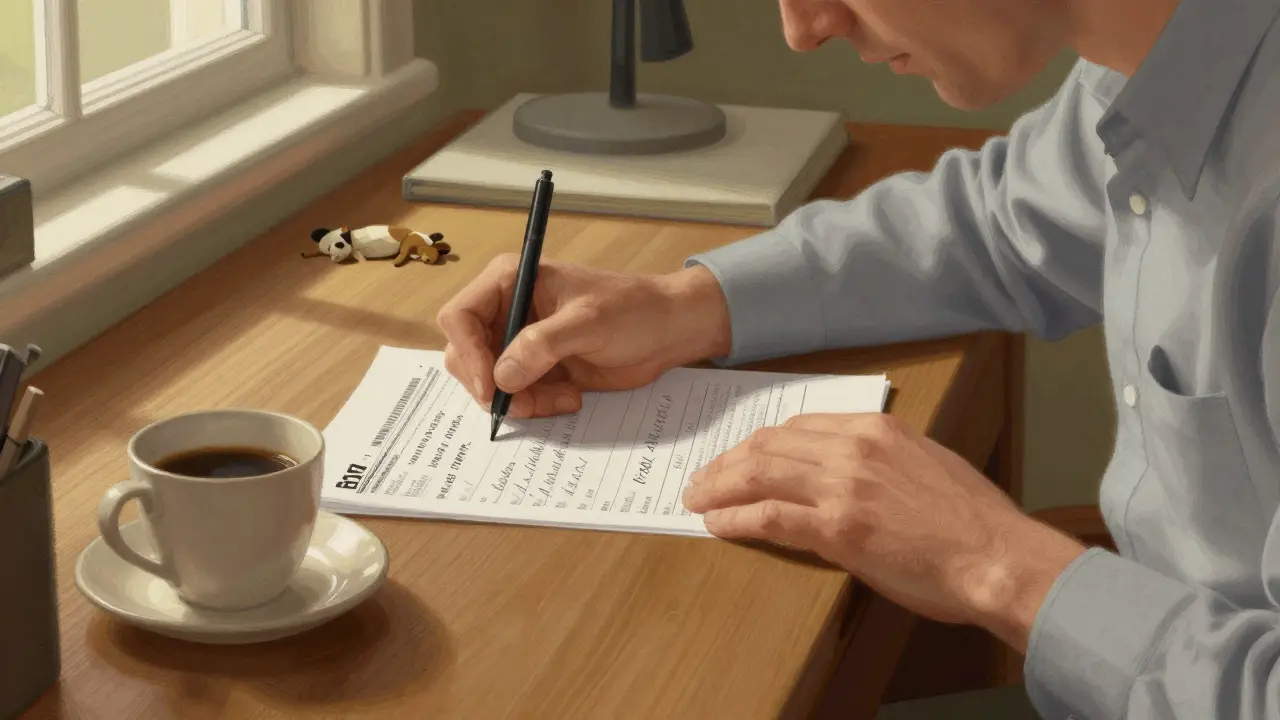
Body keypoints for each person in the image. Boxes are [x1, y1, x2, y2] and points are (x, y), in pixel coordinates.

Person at [436, 0, 1280, 716]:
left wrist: (994, 563)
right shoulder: (1142, 60)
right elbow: (994, 225)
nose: (802, 28)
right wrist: (684, 308)